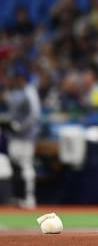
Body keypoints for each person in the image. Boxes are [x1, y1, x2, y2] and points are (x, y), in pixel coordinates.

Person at [0, 62, 41, 208]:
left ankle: (29, 198)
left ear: (21, 77)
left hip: (25, 137)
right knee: (15, 168)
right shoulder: (17, 92)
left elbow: (34, 116)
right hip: (14, 137)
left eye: (16, 77)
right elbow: (13, 113)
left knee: (26, 166)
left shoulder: (29, 91)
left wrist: (20, 126)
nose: (15, 80)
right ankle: (18, 197)